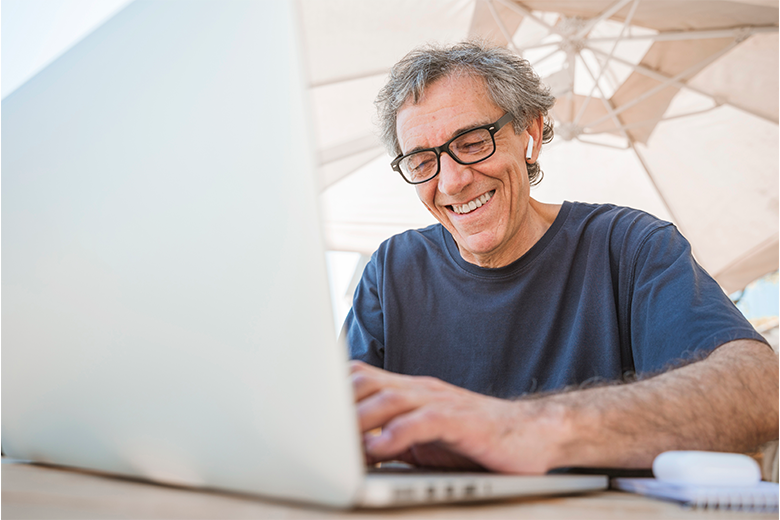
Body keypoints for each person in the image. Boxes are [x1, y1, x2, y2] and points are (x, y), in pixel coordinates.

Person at [342, 41, 778, 474]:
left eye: (473, 142)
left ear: (529, 135)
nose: (452, 181)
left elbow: (760, 389)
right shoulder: (391, 271)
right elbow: (330, 421)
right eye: (422, 161)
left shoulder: (629, 247)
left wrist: (520, 428)